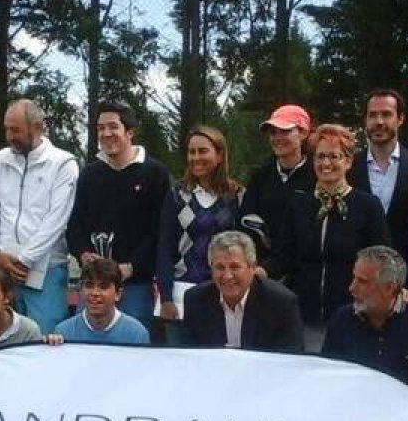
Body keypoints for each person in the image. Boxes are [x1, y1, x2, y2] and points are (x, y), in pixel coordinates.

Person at [264, 124, 389, 353]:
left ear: (348, 162)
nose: (326, 163)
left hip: (353, 315)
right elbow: (282, 256)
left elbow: (382, 260)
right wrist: (258, 272)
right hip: (305, 316)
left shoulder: (368, 206)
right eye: (320, 156)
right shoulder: (299, 205)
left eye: (334, 156)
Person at [67, 100, 172, 327]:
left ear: (130, 131)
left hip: (135, 286)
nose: (106, 133)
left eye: (113, 126)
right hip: (93, 284)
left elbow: (159, 232)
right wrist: (83, 253)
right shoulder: (89, 174)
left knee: (133, 351)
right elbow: (75, 223)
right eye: (100, 128)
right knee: (83, 348)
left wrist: (131, 267)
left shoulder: (155, 173)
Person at [0, 99, 79, 334]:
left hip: (47, 271)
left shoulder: (63, 163)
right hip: (2, 268)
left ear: (37, 127)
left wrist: (24, 260)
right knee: (2, 342)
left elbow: (57, 219)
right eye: (6, 128)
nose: (9, 136)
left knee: (45, 340)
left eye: (15, 130)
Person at [322, 245, 408, 409]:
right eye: (354, 278)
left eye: (362, 281)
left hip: (407, 419)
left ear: (389, 288)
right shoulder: (343, 319)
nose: (351, 288)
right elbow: (326, 374)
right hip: (354, 415)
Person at [156, 126, 245, 344]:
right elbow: (165, 247)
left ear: (220, 154)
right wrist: (166, 297)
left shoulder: (236, 197)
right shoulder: (177, 195)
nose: (196, 157)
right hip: (180, 294)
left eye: (203, 151)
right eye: (191, 152)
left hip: (221, 293)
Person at [181, 231, 304, 353]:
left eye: (235, 267)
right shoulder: (195, 300)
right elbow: (190, 357)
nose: (227, 276)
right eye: (220, 267)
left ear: (252, 268)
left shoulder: (281, 303)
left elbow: (291, 360)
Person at [350, 90, 408, 272]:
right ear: (365, 120)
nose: (379, 122)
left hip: (406, 279)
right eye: (372, 115)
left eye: (386, 114)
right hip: (356, 277)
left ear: (400, 119)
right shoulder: (348, 169)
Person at [238, 104, 315, 260]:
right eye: (273, 132)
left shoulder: (317, 174)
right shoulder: (260, 176)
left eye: (285, 131)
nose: (277, 137)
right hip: (265, 267)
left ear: (303, 132)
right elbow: (246, 220)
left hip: (306, 267)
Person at [50, 258, 150, 344]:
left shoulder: (136, 334)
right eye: (89, 286)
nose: (95, 293)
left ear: (118, 294)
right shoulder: (63, 332)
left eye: (103, 287)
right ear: (80, 290)